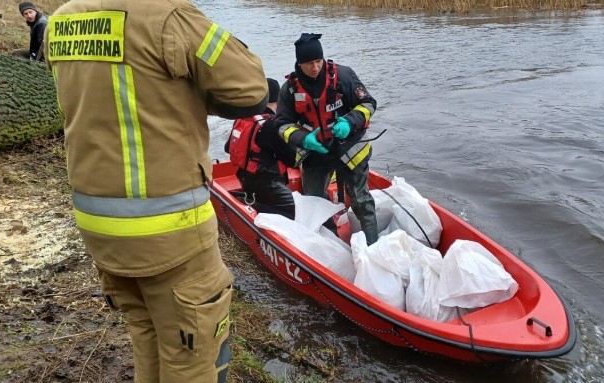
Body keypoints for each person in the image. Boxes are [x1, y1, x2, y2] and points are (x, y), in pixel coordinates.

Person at [44, 0, 268, 381]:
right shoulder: (169, 17)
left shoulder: (61, 21)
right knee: (195, 354)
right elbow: (251, 91)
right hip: (170, 231)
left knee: (147, 337)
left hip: (99, 225)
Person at [275, 33, 380, 245]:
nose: (315, 67)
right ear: (299, 63)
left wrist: (350, 121)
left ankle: (373, 246)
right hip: (316, 151)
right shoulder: (290, 89)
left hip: (349, 147)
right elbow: (281, 124)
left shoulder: (342, 76)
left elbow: (368, 104)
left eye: (318, 61)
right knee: (314, 200)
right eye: (308, 63)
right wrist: (303, 139)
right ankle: (333, 244)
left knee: (361, 200)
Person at [224, 78, 298, 220]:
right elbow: (292, 159)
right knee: (293, 213)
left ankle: (248, 200)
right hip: (268, 183)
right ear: (279, 99)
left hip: (245, 177)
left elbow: (228, 148)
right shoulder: (271, 125)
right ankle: (245, 203)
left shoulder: (243, 119)